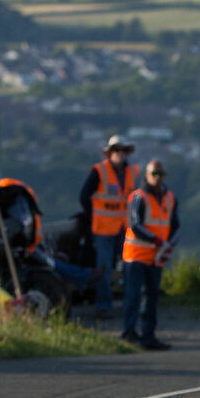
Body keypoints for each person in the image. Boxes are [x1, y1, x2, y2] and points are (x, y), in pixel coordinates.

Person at [119, 158, 178, 350]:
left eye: (160, 174)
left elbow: (174, 223)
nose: (157, 178)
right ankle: (129, 332)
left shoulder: (170, 198)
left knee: (151, 297)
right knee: (133, 296)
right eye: (154, 174)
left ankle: (148, 336)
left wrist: (169, 243)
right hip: (136, 255)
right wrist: (156, 240)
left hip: (156, 256)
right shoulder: (139, 197)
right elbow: (134, 225)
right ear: (147, 175)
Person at [77, 134, 137, 322]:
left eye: (123, 150)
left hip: (125, 228)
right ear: (109, 153)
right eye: (116, 150)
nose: (120, 154)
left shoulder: (132, 172)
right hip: (103, 229)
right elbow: (84, 196)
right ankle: (104, 306)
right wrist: (93, 214)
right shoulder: (99, 172)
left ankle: (132, 304)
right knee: (104, 269)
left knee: (131, 265)